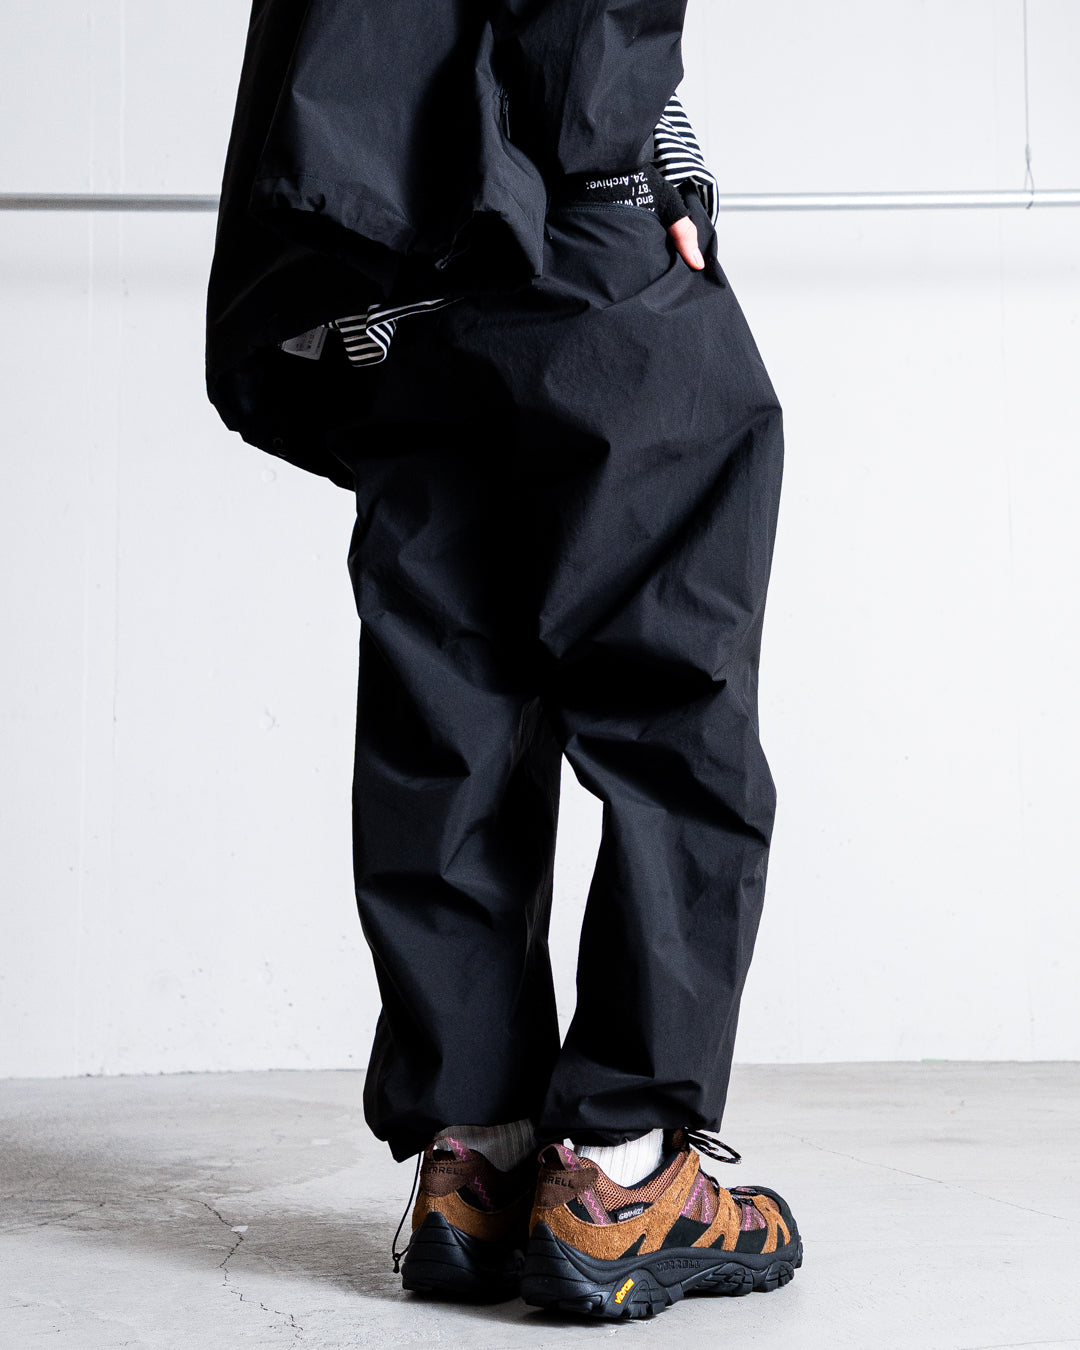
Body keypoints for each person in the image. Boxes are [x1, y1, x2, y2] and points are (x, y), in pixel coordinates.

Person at [207, 0, 800, 1321]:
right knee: (671, 682)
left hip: (385, 240)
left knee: (449, 703)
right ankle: (622, 1173)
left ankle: (475, 1161)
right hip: (565, 199)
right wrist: (642, 156)